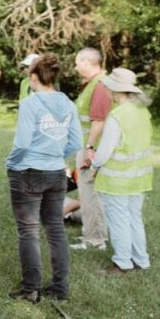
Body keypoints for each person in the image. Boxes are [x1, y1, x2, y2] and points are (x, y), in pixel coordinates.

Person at [5, 54, 83, 302]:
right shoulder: (68, 103)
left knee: (28, 231)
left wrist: (11, 162)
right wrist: (55, 155)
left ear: (34, 77)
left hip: (29, 171)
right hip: (56, 172)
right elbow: (76, 142)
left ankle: (31, 289)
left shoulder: (31, 103)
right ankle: (60, 287)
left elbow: (23, 142)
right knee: (55, 229)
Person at [91, 68, 153, 275]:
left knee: (118, 220)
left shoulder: (117, 115)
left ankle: (123, 263)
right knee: (134, 218)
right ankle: (141, 260)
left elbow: (104, 152)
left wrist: (93, 166)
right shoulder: (142, 111)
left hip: (117, 179)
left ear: (115, 90)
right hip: (139, 177)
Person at [70, 47, 113, 251]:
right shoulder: (93, 84)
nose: (76, 67)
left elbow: (99, 122)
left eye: (77, 62)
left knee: (91, 193)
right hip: (87, 145)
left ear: (87, 62)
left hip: (92, 148)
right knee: (86, 192)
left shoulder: (100, 85)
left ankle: (95, 240)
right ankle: (91, 234)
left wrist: (89, 149)